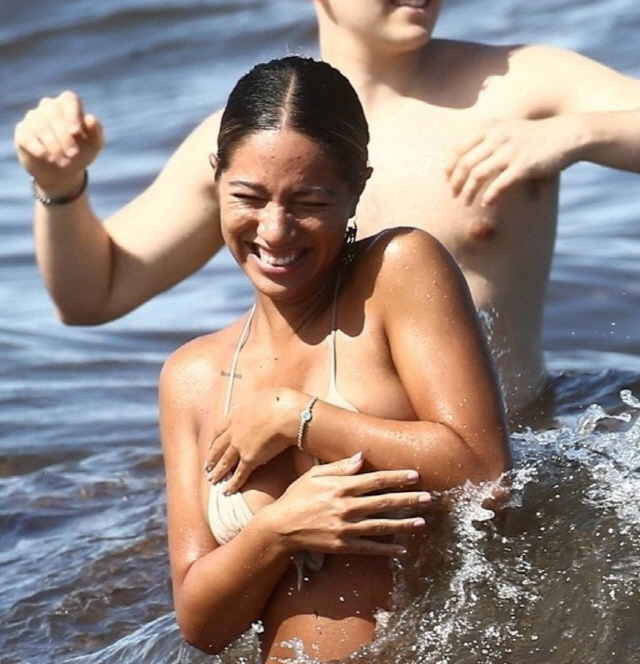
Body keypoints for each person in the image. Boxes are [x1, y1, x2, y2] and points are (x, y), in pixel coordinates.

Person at [16, 1, 640, 416]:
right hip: (334, 471)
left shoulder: (520, 85)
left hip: (504, 459)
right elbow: (93, 294)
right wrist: (60, 185)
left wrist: (573, 134)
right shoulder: (259, 140)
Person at [159, 56, 510, 664]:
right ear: (216, 180)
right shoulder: (192, 377)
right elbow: (202, 623)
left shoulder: (396, 273)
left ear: (356, 190)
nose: (275, 230)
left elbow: (483, 468)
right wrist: (278, 530)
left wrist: (297, 417)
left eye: (310, 202)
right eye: (249, 196)